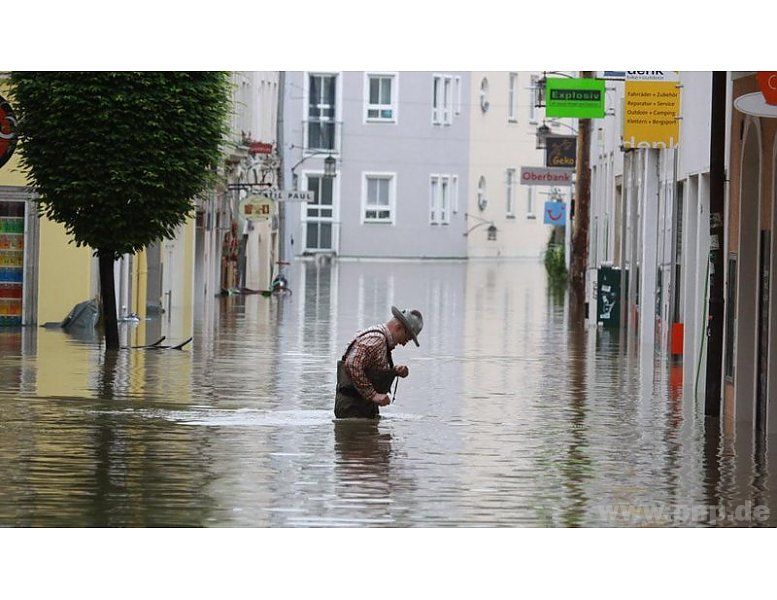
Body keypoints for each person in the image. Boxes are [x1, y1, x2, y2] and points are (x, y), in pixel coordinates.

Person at [334, 306, 423, 419]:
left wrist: (395, 370)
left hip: (360, 408)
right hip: (353, 409)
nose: (404, 344)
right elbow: (352, 364)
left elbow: (369, 367)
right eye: (407, 338)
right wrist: (373, 395)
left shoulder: (380, 339)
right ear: (398, 327)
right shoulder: (377, 340)